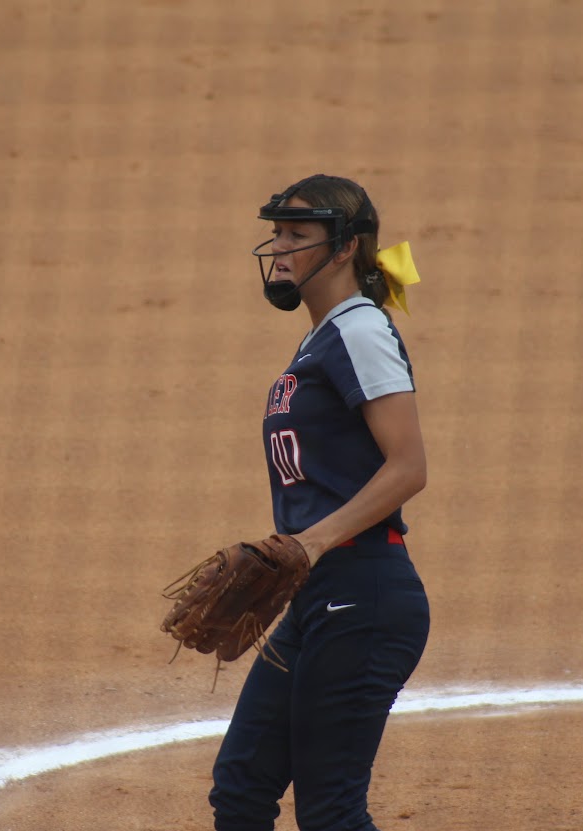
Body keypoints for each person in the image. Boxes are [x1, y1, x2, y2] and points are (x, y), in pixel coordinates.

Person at [209, 174, 431, 831]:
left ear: (344, 249)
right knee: (242, 787)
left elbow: (409, 465)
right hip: (319, 596)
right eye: (277, 232)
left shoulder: (359, 330)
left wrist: (310, 540)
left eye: (297, 236)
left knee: (331, 811)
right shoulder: (321, 338)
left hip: (364, 592)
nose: (279, 247)